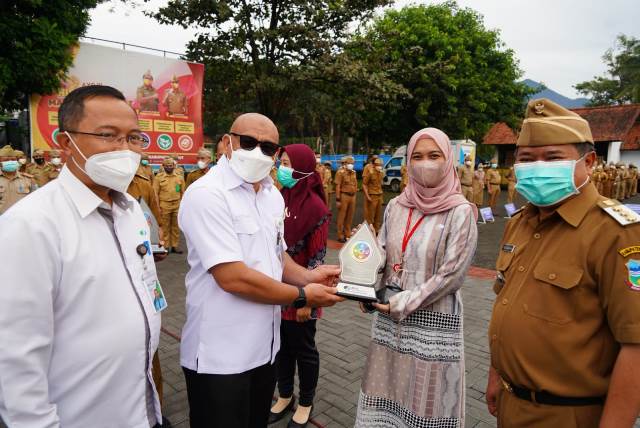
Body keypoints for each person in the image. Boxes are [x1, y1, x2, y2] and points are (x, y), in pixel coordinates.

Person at [0, 85, 164, 427]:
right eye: (108, 135)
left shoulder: (129, 208)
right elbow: (16, 358)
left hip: (140, 409)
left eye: (134, 138)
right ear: (65, 142)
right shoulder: (30, 226)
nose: (124, 149)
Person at [177, 113, 343, 428]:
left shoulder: (270, 196)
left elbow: (276, 256)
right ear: (227, 143)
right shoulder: (207, 194)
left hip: (264, 350)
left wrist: (309, 276)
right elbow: (232, 277)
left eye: (268, 148)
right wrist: (303, 295)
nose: (258, 152)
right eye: (249, 142)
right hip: (219, 357)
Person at [485, 98, 640, 428]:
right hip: (512, 405)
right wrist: (496, 375)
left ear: (590, 161)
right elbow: (506, 303)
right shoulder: (519, 223)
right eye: (527, 159)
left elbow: (635, 346)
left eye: (553, 157)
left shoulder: (617, 233)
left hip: (568, 415)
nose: (538, 166)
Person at [355, 127, 478, 428]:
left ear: (448, 160)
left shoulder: (460, 211)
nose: (425, 163)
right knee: (388, 388)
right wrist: (364, 285)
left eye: (434, 155)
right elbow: (384, 251)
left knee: (424, 399)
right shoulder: (397, 206)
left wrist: (404, 301)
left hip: (432, 321)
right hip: (388, 318)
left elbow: (452, 274)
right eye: (418, 157)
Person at [270, 144, 331, 428]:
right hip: (275, 291)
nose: (282, 169)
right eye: (281, 162)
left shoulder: (316, 208)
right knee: (280, 348)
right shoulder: (276, 197)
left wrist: (308, 300)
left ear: (304, 168)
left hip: (304, 293)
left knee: (304, 349)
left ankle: (305, 401)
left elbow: (318, 259)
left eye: (287, 163)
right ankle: (284, 396)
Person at [154, 157, 184, 254]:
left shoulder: (179, 177)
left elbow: (183, 192)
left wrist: (183, 206)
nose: (169, 167)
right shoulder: (158, 177)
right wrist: (158, 207)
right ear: (163, 166)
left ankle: (175, 246)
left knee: (176, 226)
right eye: (167, 166)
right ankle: (165, 247)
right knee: (165, 227)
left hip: (177, 204)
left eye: (170, 166)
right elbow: (155, 194)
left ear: (174, 166)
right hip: (164, 205)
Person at [0, 146, 36, 214]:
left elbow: (36, 200)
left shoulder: (28, 179)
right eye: (6, 160)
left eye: (13, 159)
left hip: (22, 220)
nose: (10, 162)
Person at [334, 155, 357, 243]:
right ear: (345, 164)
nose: (351, 165)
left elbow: (355, 184)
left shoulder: (354, 172)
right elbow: (337, 186)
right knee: (342, 216)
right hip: (344, 196)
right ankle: (340, 235)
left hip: (353, 196)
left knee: (350, 216)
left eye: (352, 163)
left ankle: (347, 233)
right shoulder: (340, 172)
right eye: (349, 163)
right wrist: (338, 199)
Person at [362, 157, 384, 233]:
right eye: (378, 165)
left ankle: (376, 230)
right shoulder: (370, 173)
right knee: (370, 216)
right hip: (372, 195)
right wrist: (367, 196)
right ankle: (368, 231)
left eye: (381, 165)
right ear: (374, 165)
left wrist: (381, 197)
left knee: (378, 215)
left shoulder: (381, 173)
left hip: (379, 195)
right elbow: (364, 184)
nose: (380, 166)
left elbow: (380, 185)